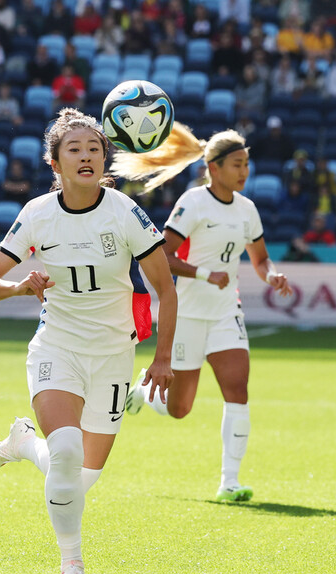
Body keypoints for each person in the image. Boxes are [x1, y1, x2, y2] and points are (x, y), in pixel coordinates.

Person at [0, 109, 177, 574]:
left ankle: (22, 445)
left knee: (79, 479)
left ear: (105, 158)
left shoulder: (125, 212)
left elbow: (166, 290)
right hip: (56, 348)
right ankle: (73, 565)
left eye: (94, 149)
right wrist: (21, 287)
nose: (86, 156)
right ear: (55, 163)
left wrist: (163, 357)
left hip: (113, 356)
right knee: (64, 454)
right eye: (74, 150)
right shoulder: (37, 214)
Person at [115, 127, 293, 503]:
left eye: (247, 164)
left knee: (238, 391)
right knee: (179, 409)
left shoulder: (248, 209)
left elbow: (259, 259)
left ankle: (230, 481)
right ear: (214, 167)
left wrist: (271, 275)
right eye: (236, 164)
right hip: (189, 315)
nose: (244, 172)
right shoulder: (193, 202)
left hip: (227, 313)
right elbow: (163, 255)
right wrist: (202, 274)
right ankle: (146, 393)